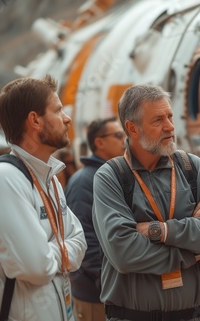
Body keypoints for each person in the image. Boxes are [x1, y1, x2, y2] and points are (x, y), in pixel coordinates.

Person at [92, 84, 200, 321]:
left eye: (169, 116)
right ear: (132, 128)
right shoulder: (111, 177)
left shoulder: (191, 168)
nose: (169, 126)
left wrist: (160, 230)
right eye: (158, 120)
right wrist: (192, 251)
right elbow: (124, 254)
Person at [0, 74, 87, 320]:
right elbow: (36, 267)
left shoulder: (49, 177)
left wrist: (48, 251)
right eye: (58, 110)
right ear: (35, 120)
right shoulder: (2, 178)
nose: (67, 119)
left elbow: (81, 241)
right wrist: (56, 253)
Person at [66, 117, 126, 321]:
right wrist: (112, 286)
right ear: (99, 142)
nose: (125, 140)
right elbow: (84, 241)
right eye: (118, 135)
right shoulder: (85, 181)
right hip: (96, 295)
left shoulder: (112, 177)